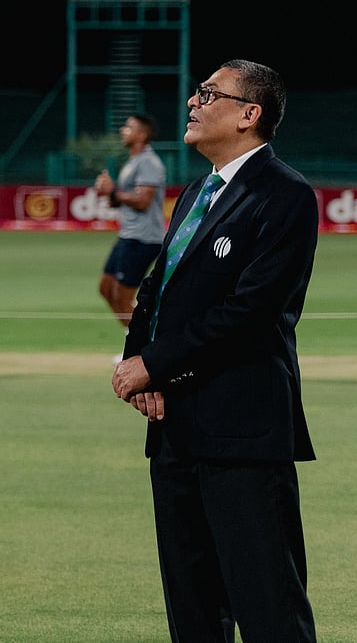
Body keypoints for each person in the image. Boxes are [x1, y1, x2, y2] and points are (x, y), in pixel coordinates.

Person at [111, 59, 319, 642]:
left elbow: (250, 315)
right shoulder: (197, 192)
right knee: (193, 611)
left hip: (243, 432)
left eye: (208, 93)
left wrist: (153, 363)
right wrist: (143, 363)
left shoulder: (286, 195)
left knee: (268, 607)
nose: (192, 102)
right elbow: (156, 288)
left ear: (249, 115)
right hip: (178, 432)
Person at [93, 114, 166, 340]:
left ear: (142, 135)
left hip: (144, 239)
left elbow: (143, 201)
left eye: (129, 127)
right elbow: (123, 200)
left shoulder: (149, 163)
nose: (123, 130)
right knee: (106, 289)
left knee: (123, 298)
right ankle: (135, 338)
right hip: (129, 236)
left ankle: (148, 346)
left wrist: (113, 191)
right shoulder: (133, 162)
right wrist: (109, 192)